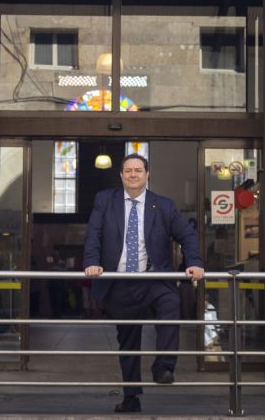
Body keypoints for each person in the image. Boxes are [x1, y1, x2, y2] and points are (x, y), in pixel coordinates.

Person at [83, 153, 204, 413]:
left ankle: (164, 367)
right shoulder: (105, 201)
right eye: (128, 170)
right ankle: (131, 397)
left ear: (147, 175)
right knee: (128, 342)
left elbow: (188, 235)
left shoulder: (164, 205)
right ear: (121, 175)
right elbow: (93, 233)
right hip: (120, 281)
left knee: (171, 306)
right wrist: (92, 262)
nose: (133, 174)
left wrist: (193, 262)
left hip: (154, 278)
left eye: (139, 170)